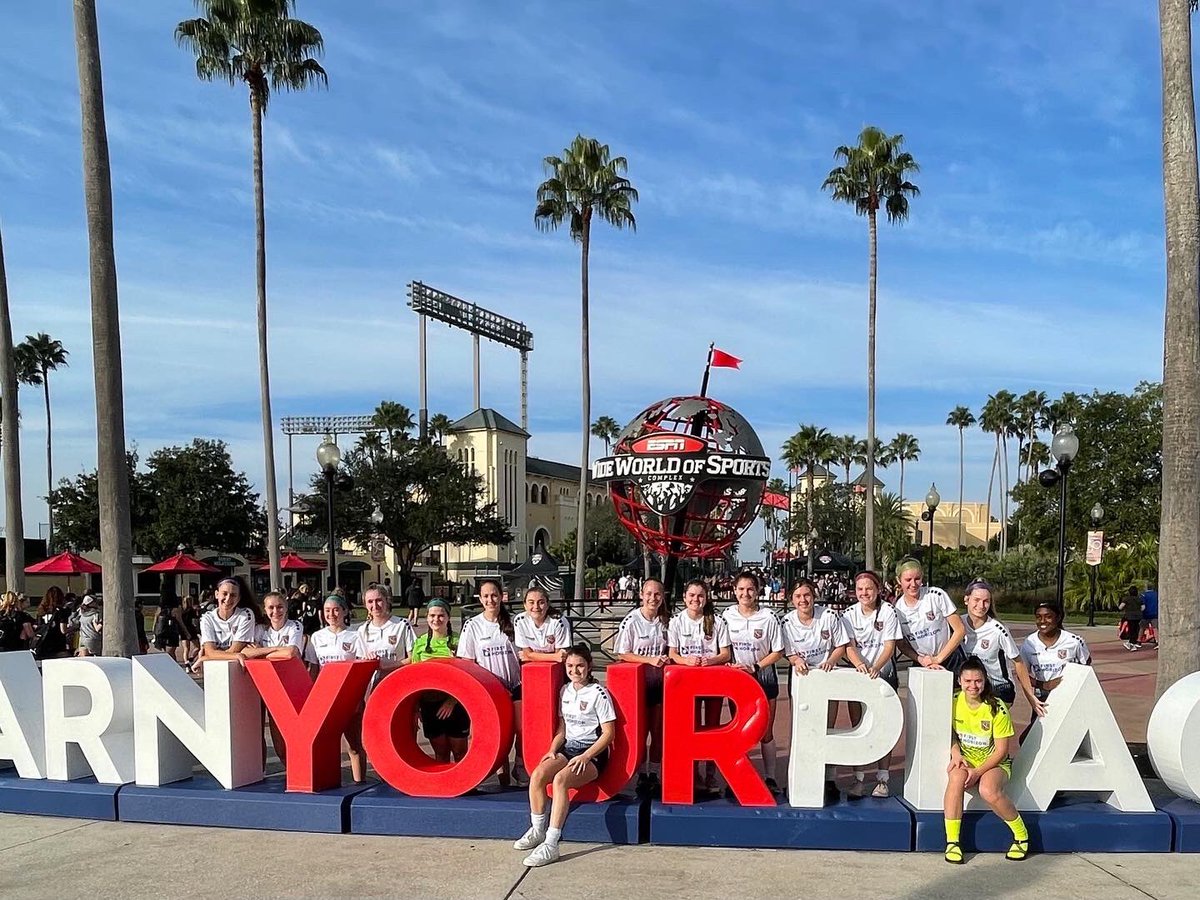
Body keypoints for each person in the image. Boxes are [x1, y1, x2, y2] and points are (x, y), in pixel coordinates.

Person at [512, 643, 616, 868]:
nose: (575, 670)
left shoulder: (599, 693)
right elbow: (563, 727)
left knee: (561, 780)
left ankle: (551, 843)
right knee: (538, 774)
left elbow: (608, 734)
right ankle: (537, 830)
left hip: (592, 753)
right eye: (570, 666)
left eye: (580, 666)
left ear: (589, 667)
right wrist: (552, 749)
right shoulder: (565, 690)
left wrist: (587, 756)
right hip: (568, 747)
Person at [943, 656, 1029, 864]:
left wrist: (978, 772)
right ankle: (952, 842)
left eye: (978, 681)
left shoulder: (996, 707)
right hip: (966, 758)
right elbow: (950, 733)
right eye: (968, 681)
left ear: (985, 681)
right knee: (955, 779)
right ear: (960, 681)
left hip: (993, 762)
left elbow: (1001, 750)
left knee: (988, 791)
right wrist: (956, 752)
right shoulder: (953, 702)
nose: (973, 686)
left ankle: (1021, 835)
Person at [722, 571, 785, 792]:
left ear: (758, 591)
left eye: (750, 589)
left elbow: (778, 651)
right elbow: (723, 648)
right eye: (741, 589)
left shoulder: (769, 617)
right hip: (737, 681)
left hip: (764, 676)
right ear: (734, 591)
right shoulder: (727, 616)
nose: (745, 593)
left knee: (766, 731)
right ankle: (739, 776)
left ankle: (770, 778)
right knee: (740, 730)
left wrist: (757, 667)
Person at [668, 579, 731, 795]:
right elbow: (672, 653)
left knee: (712, 728)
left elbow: (726, 653)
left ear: (706, 598)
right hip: (686, 685)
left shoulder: (717, 621)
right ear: (684, 597)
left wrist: (710, 661)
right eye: (692, 595)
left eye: (700, 596)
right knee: (690, 728)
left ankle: (711, 774)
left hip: (712, 681)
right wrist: (685, 661)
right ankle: (693, 773)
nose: (696, 600)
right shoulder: (676, 622)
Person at [842, 570, 902, 797]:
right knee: (858, 725)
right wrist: (859, 665)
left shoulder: (888, 612)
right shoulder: (848, 615)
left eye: (869, 588)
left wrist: (876, 667)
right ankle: (858, 779)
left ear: (878, 590)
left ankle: (883, 779)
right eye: (860, 589)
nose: (864, 593)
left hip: (882, 675)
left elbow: (889, 645)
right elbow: (849, 646)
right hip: (858, 676)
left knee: (883, 726)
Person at [457, 578, 522, 785]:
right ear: (480, 598)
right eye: (486, 596)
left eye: (494, 595)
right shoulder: (473, 625)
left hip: (516, 687)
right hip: (490, 690)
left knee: (521, 730)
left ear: (502, 596)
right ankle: (502, 777)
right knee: (498, 735)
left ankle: (519, 766)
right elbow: (467, 662)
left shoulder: (515, 622)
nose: (490, 600)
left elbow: (525, 655)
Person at [614, 578, 670, 791]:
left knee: (657, 732)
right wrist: (649, 660)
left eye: (657, 594)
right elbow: (622, 653)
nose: (653, 598)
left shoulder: (666, 621)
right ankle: (639, 774)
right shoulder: (632, 621)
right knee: (639, 732)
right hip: (636, 686)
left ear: (662, 597)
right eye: (649, 594)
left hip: (659, 684)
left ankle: (653, 773)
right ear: (641, 594)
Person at [303, 594, 366, 783]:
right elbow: (314, 668)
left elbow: (361, 671)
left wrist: (358, 698)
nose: (332, 614)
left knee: (354, 745)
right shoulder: (317, 637)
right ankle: (328, 783)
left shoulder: (355, 636)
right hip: (325, 698)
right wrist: (311, 697)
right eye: (327, 610)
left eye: (336, 609)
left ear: (345, 611)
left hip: (349, 699)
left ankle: (359, 783)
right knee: (325, 745)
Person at [959, 580, 1043, 716]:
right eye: (977, 600)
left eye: (986, 601)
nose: (981, 605)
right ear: (966, 600)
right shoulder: (958, 624)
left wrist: (1031, 698)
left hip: (998, 689)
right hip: (973, 687)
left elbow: (1018, 662)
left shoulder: (998, 630)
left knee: (983, 722)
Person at [410, 599, 470, 763]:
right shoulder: (420, 643)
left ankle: (464, 788)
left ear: (448, 617)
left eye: (441, 615)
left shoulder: (460, 641)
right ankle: (445, 788)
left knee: (460, 753)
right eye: (432, 615)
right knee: (441, 753)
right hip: (430, 705)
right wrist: (416, 708)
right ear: (427, 617)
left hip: (456, 704)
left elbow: (467, 676)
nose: (436, 620)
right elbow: (414, 679)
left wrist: (452, 701)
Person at [893, 559, 966, 672]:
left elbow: (959, 630)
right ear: (899, 580)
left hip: (950, 659)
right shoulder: (897, 609)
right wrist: (920, 659)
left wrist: (938, 658)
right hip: (923, 663)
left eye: (917, 579)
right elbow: (901, 644)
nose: (913, 584)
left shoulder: (936, 595)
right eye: (908, 580)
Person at [1018, 602, 1091, 710]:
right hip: (1042, 697)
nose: (1042, 621)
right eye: (1038, 617)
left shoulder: (1074, 641)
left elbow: (1086, 666)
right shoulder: (1029, 643)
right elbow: (1021, 674)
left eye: (1048, 617)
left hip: (1068, 696)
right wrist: (1043, 685)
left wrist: (1069, 681)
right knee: (1039, 726)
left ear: (1058, 618)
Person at [194, 577, 262, 671]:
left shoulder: (246, 614)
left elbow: (235, 650)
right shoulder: (207, 618)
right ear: (217, 594)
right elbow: (210, 651)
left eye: (233, 595)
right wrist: (211, 654)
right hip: (215, 669)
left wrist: (207, 657)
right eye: (224, 593)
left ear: (238, 598)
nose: (228, 599)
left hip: (237, 668)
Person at [355, 585, 415, 688]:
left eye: (378, 600)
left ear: (387, 601)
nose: (375, 605)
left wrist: (387, 666)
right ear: (365, 605)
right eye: (370, 601)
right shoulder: (362, 630)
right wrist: (368, 660)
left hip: (399, 681)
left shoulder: (402, 624)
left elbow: (413, 658)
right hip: (375, 686)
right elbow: (360, 663)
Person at [31, 587, 71, 661]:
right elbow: (63, 630)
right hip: (57, 645)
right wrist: (73, 628)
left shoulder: (41, 611)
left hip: (43, 644)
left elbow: (37, 626)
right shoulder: (61, 611)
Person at [1118, 586, 1144, 651]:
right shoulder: (1139, 599)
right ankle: (1133, 642)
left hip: (1130, 616)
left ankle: (1131, 643)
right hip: (1138, 616)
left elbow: (1120, 607)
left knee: (1131, 629)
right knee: (1136, 629)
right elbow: (1143, 607)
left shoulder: (1126, 599)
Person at [180, 595, 202, 664]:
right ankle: (191, 658)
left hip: (183, 630)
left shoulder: (181, 611)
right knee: (197, 647)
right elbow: (195, 619)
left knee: (186, 649)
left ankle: (186, 663)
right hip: (191, 630)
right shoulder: (192, 610)